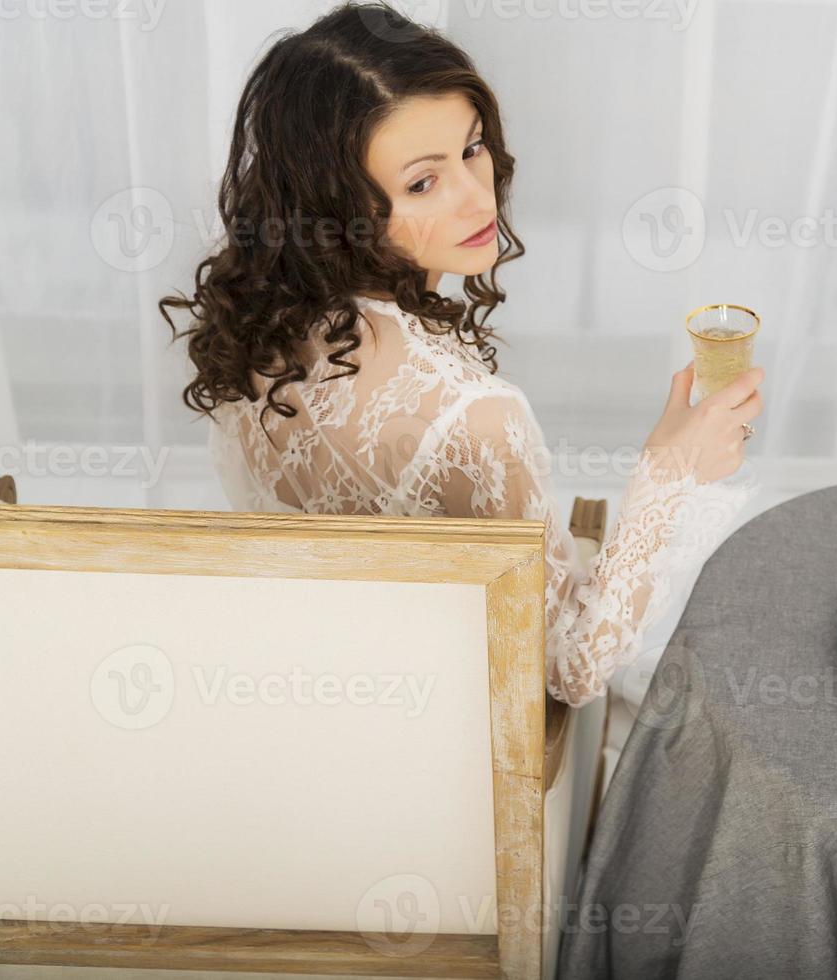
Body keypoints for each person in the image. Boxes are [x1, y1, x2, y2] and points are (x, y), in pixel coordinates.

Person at [159, 1, 763, 708]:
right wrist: (671, 473)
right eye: (422, 182)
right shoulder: (475, 420)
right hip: (446, 739)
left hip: (307, 687)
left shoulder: (257, 316)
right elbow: (569, 670)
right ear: (335, 202)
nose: (478, 198)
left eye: (472, 148)